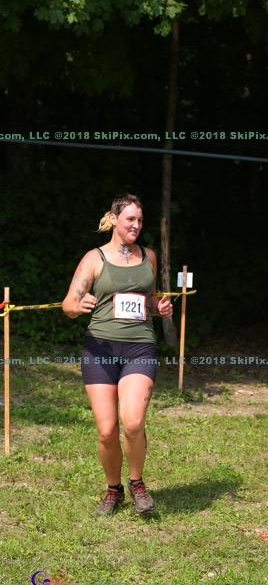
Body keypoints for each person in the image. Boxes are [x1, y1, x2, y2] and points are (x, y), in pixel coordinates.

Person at [62, 194, 173, 515]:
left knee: (133, 422)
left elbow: (149, 300)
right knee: (107, 430)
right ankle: (114, 489)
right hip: (100, 349)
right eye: (130, 220)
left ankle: (137, 483)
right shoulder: (94, 259)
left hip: (140, 346)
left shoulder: (148, 256)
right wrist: (78, 306)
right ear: (113, 220)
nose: (136, 225)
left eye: (140, 220)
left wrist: (159, 307)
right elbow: (68, 304)